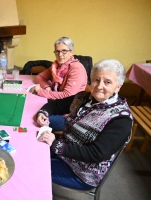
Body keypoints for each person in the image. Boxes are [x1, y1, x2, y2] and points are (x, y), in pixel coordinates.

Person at [35, 59, 132, 190]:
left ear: (118, 87)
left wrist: (55, 145)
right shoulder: (82, 97)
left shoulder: (121, 119)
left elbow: (96, 154)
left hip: (82, 172)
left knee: (31, 169)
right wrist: (44, 112)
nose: (99, 86)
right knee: (29, 152)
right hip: (62, 153)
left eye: (107, 82)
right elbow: (56, 105)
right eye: (96, 80)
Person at [32, 36, 88, 131]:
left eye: (64, 51)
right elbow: (39, 77)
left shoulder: (76, 69)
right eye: (57, 51)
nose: (60, 55)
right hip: (56, 105)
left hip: (69, 114)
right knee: (32, 110)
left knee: (34, 120)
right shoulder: (57, 66)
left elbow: (67, 96)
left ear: (71, 52)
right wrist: (47, 87)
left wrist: (41, 92)